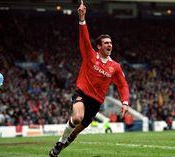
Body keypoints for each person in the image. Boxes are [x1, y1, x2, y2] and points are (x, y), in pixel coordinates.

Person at [49, 1, 130, 156]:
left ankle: (58, 149)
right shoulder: (90, 55)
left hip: (96, 102)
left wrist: (125, 102)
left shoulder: (116, 67)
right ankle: (59, 142)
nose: (110, 45)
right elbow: (85, 38)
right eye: (106, 43)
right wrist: (82, 19)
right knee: (77, 117)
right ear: (99, 46)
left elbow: (123, 85)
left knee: (74, 134)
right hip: (82, 93)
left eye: (111, 43)